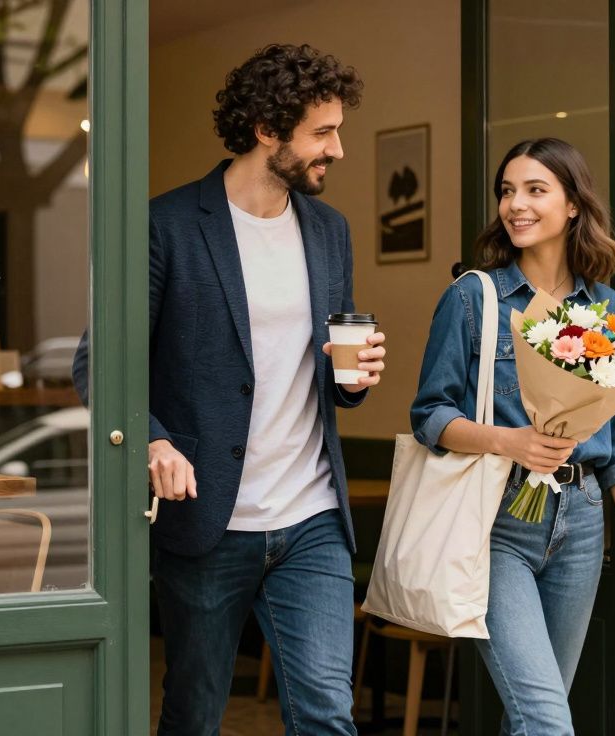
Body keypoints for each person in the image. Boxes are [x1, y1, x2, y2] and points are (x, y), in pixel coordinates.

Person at [73, 44, 385, 735]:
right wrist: (152, 438)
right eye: (323, 133)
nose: (338, 148)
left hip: (311, 519)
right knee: (193, 715)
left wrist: (356, 376)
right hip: (207, 526)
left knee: (328, 712)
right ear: (268, 131)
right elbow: (98, 364)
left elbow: (333, 373)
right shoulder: (166, 228)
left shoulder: (329, 231)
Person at [409, 138, 615, 735]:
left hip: (581, 525)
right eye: (507, 191)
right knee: (548, 722)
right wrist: (510, 442)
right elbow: (429, 415)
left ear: (574, 204)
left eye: (534, 190)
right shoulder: (474, 297)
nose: (515, 205)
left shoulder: (607, 306)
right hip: (497, 522)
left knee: (530, 717)